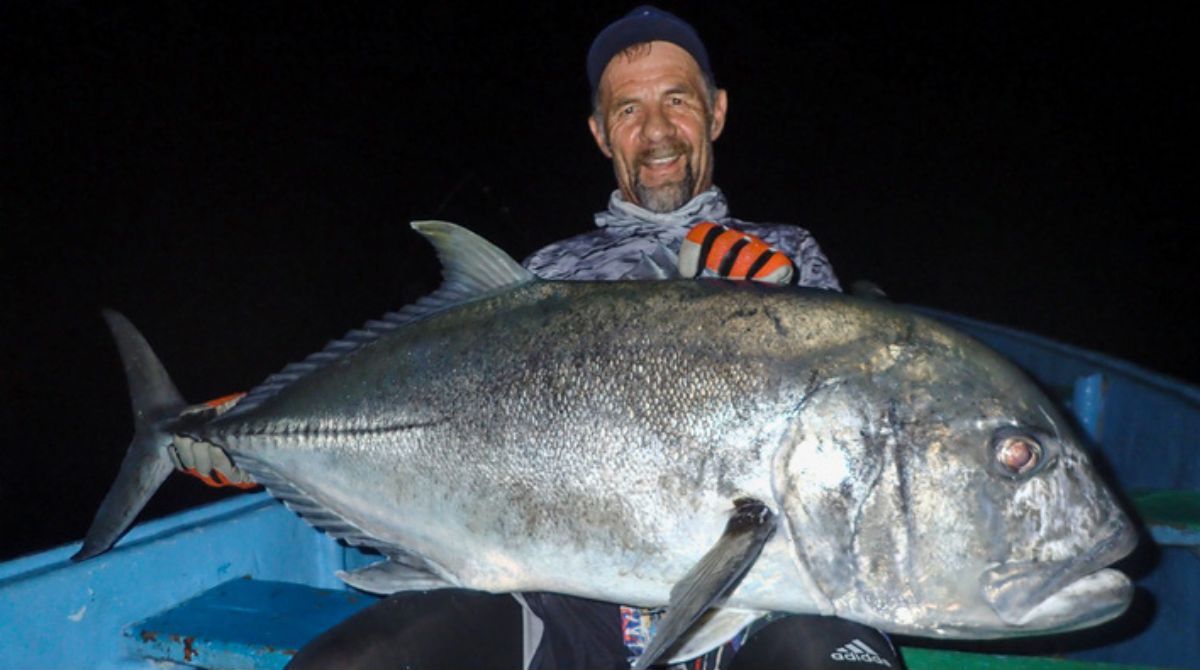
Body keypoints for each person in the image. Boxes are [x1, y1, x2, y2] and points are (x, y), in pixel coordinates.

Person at [179, 6, 905, 669]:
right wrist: (265, 433)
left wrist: (779, 303)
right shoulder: (548, 275)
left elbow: (845, 463)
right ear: (599, 131)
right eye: (629, 109)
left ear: (715, 113)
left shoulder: (787, 254)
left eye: (676, 100)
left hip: (754, 606)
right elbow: (451, 436)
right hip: (563, 603)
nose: (655, 131)